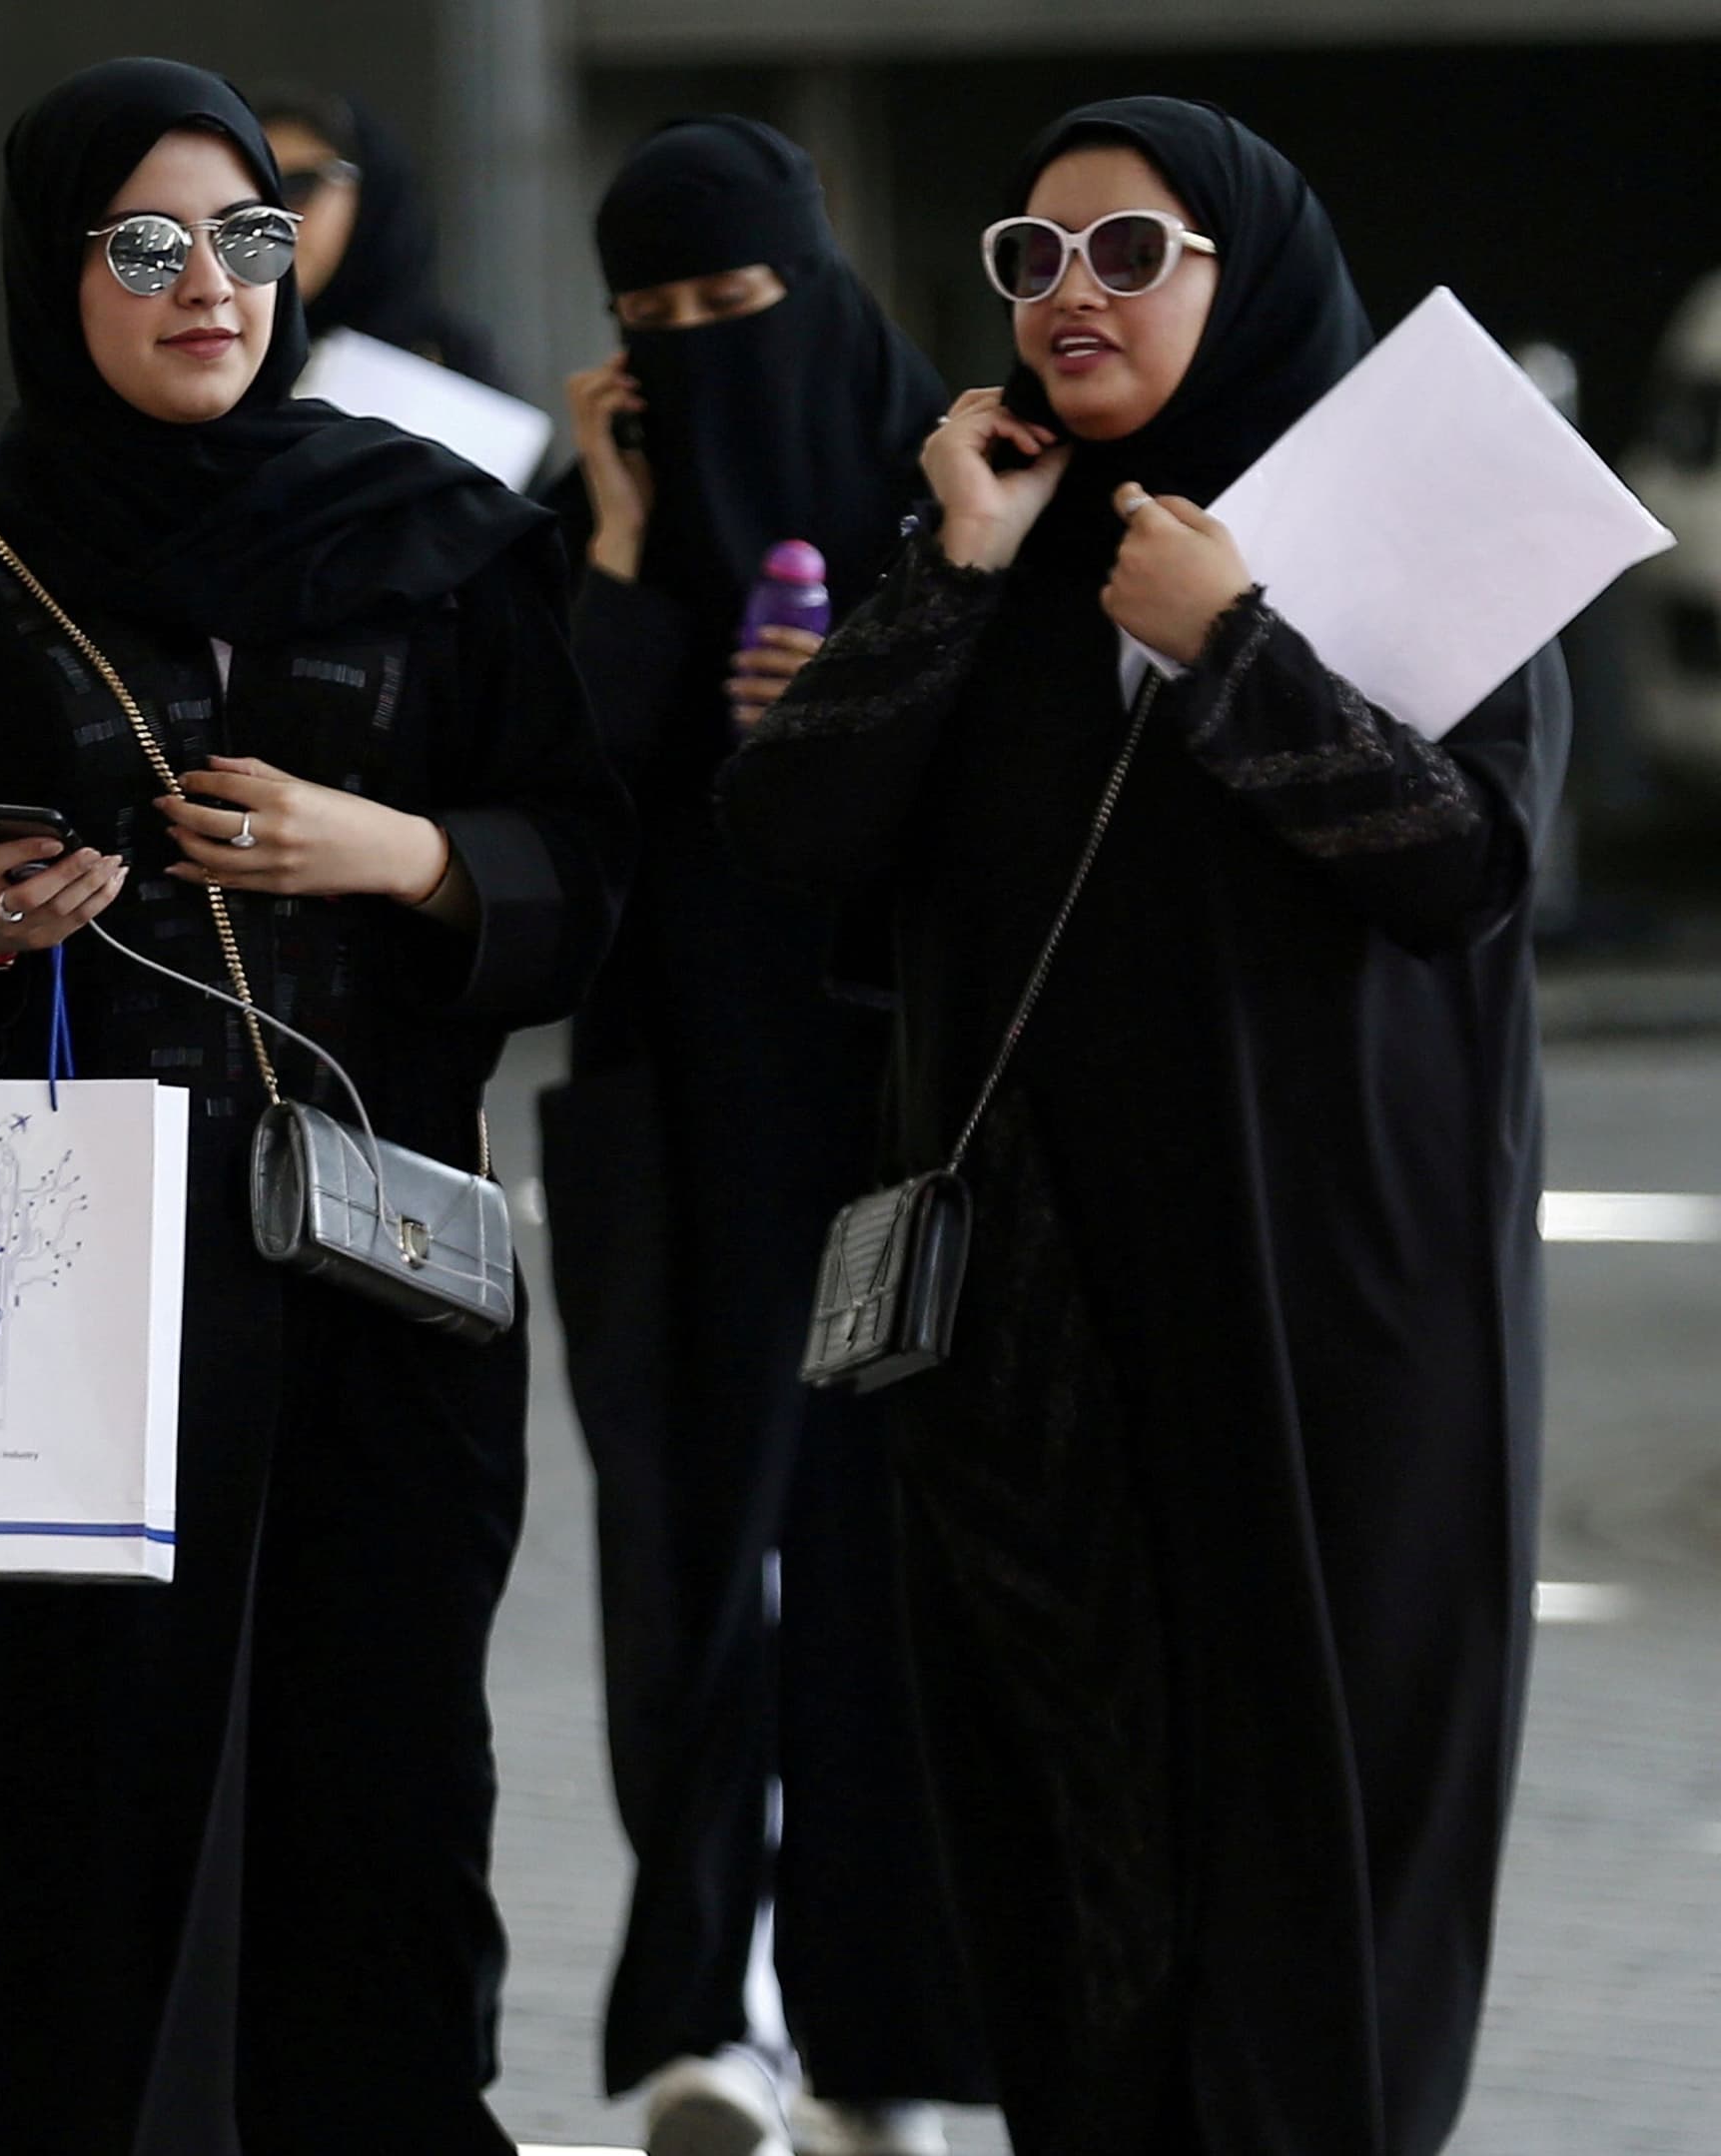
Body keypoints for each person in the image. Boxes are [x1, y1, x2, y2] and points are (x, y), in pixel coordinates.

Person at [0, 59, 630, 2152]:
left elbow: (591, 876)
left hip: (377, 1272)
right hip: (61, 1277)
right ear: (57, 273)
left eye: (247, 240)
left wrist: (401, 854)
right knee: (81, 1787)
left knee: (383, 1775)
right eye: (144, 248)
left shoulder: (438, 531)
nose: (207, 288)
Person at [716, 97, 1558, 2155]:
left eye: (1125, 252)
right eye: (1031, 257)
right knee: (1071, 1796)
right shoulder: (991, 539)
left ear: (1243, 271)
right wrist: (950, 567)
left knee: (1320, 1787)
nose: (1067, 294)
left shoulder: (1427, 521)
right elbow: (792, 835)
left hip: (1331, 1302)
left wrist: (1233, 651)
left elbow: (1462, 870)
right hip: (1035, 1309)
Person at [539, 118, 990, 2156]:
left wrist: (873, 691)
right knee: (697, 1556)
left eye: (739, 306)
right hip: (685, 1118)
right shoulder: (593, 511)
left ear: (818, 283)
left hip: (912, 1113)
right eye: (655, 322)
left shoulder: (960, 487)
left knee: (903, 1567)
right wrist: (626, 538)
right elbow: (549, 790)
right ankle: (716, 2003)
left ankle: (892, 2033)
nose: (706, 351)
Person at [245, 83, 506, 386]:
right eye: (254, 193)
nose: (274, 216)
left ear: (372, 194)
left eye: (299, 185)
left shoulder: (451, 364)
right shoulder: (213, 352)